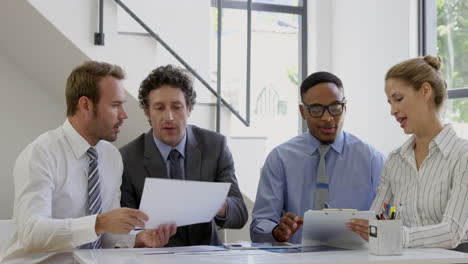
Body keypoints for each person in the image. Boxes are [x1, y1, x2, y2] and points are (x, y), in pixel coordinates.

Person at [0, 61, 177, 264]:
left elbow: (109, 235)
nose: (124, 115)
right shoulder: (41, 154)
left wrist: (138, 238)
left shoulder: (111, 157)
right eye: (115, 105)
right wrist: (98, 223)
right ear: (85, 105)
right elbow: (31, 233)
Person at [250, 71, 386, 244]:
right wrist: (276, 232)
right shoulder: (280, 159)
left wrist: (376, 230)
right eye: (316, 110)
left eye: (335, 108)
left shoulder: (373, 159)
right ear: (302, 111)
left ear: (345, 107)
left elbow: (390, 220)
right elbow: (260, 224)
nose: (328, 118)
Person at [120, 65, 248, 246]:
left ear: (189, 108)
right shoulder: (127, 158)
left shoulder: (215, 146)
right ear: (147, 112)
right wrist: (142, 238)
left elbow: (240, 214)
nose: (169, 116)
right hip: (157, 258)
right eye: (159, 108)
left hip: (207, 257)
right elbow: (125, 229)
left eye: (177, 107)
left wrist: (217, 204)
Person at [348, 55, 468, 249]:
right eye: (390, 103)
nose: (393, 111)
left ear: (425, 91)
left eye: (398, 99)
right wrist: (351, 228)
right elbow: (377, 222)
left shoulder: (463, 156)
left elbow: (452, 232)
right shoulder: (395, 161)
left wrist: (399, 236)